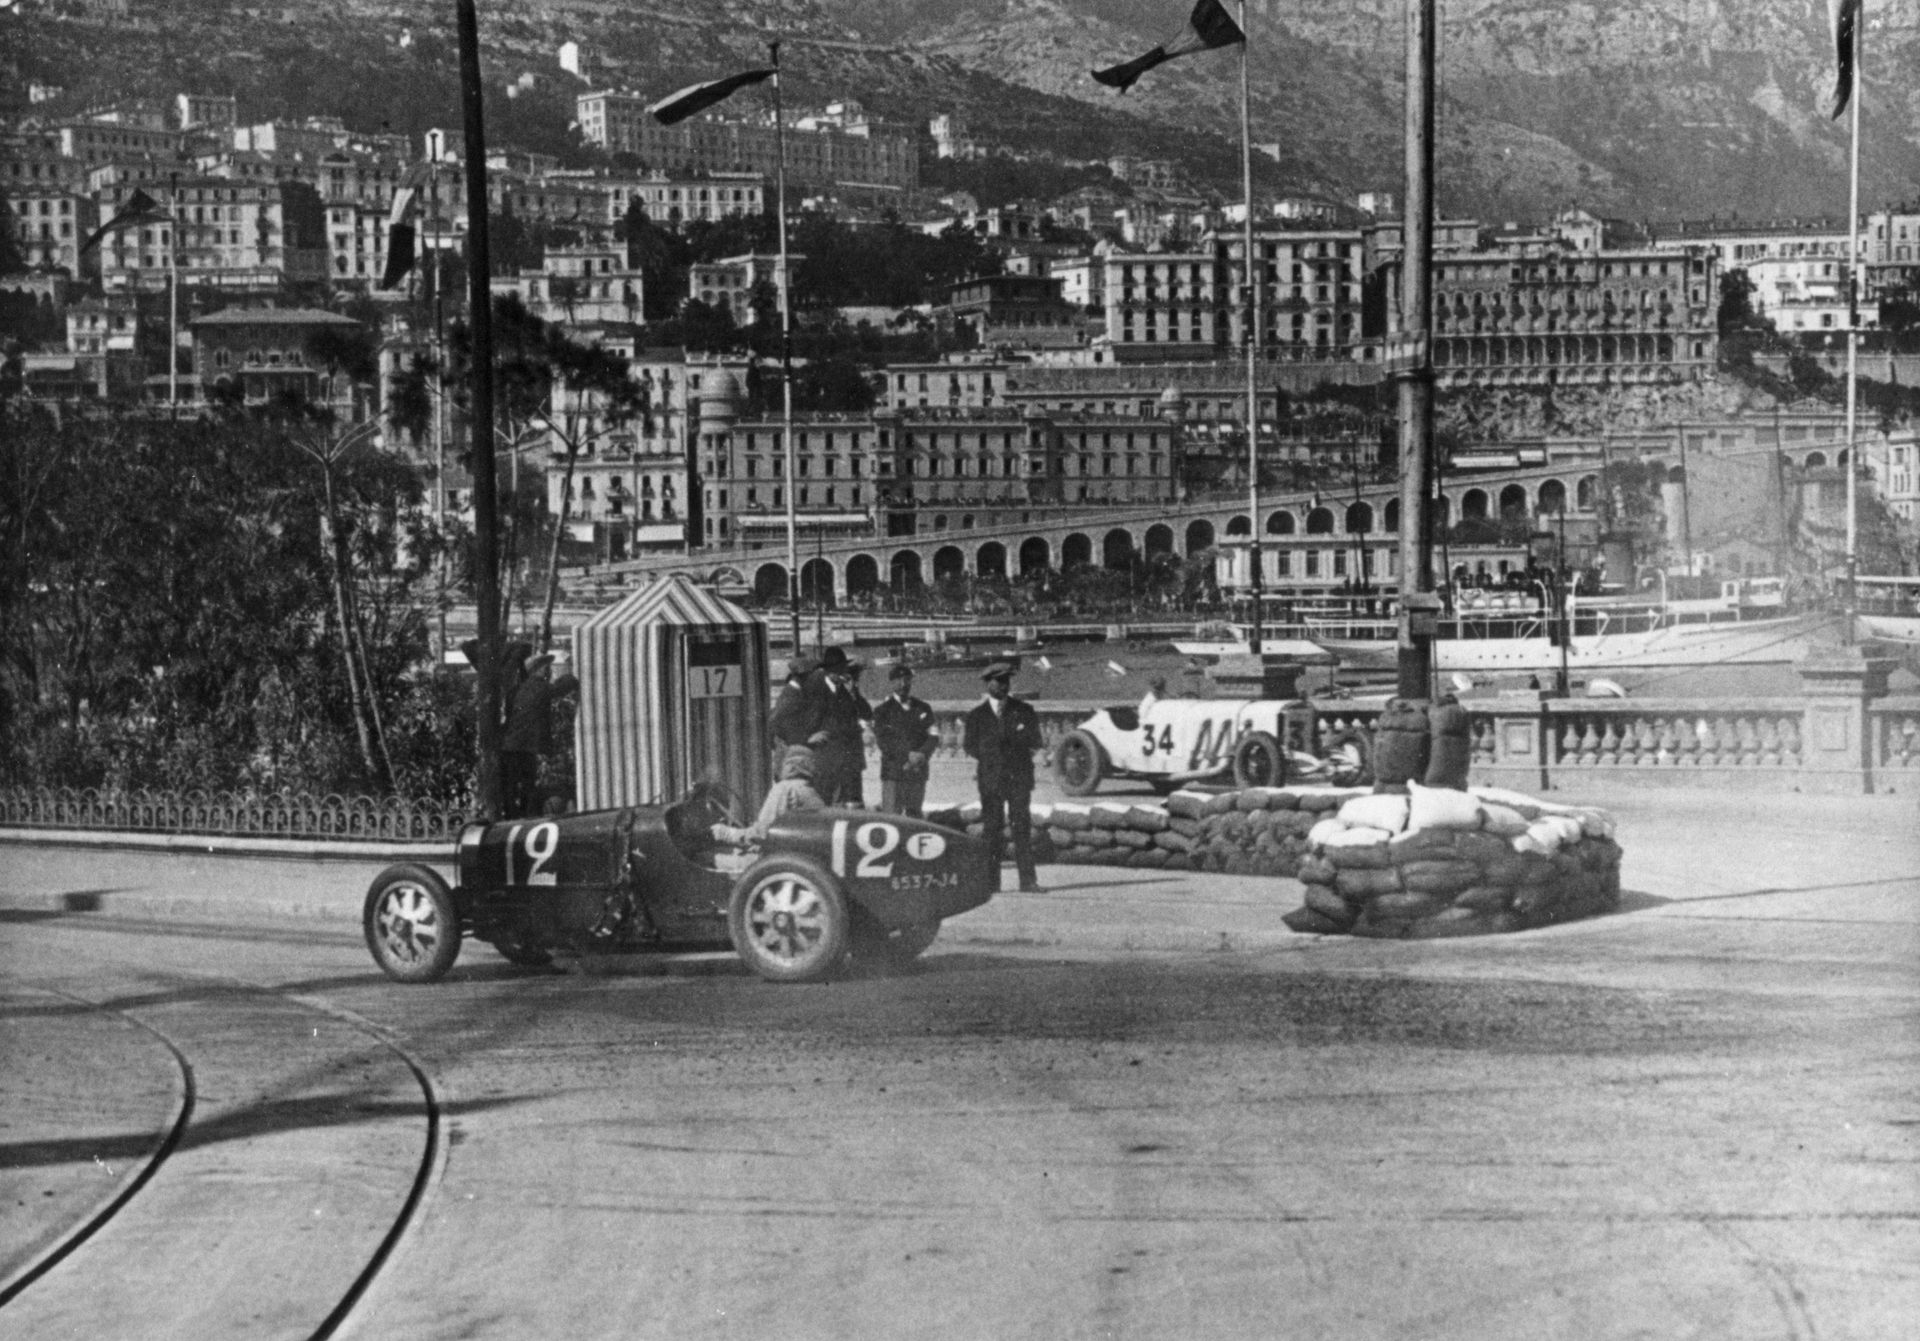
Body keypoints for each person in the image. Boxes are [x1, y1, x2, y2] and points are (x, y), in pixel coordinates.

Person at [963, 660, 1043, 893]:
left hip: (1018, 779)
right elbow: (970, 747)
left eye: (1006, 681)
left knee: (1022, 829)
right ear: (988, 684)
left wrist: (1011, 757)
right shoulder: (977, 716)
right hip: (991, 781)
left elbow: (1035, 742)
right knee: (992, 830)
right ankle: (991, 882)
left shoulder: (1024, 711)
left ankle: (1028, 881)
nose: (1004, 686)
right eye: (999, 681)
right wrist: (993, 761)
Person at [501, 649, 578, 818]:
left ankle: (513, 817)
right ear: (539, 669)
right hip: (525, 746)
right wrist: (573, 675)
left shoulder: (518, 689)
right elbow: (561, 688)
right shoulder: (538, 686)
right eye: (546, 667)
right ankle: (527, 818)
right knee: (528, 785)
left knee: (514, 787)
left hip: (511, 745)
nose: (549, 670)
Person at [797, 645, 871, 806]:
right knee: (825, 807)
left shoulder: (847, 691)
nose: (843, 673)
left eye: (843, 668)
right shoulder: (814, 690)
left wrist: (854, 694)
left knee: (852, 807)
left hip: (850, 763)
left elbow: (867, 713)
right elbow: (800, 721)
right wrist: (809, 738)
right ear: (829, 671)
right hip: (826, 763)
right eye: (839, 669)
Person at [712, 745, 826, 849]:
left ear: (791, 766)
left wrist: (727, 833)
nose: (774, 766)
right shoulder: (810, 792)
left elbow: (762, 833)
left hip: (778, 860)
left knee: (707, 858)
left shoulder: (785, 788)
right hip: (795, 856)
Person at [872, 663, 937, 818]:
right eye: (898, 681)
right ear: (891, 683)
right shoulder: (882, 711)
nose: (903, 685)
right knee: (891, 818)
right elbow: (884, 742)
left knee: (915, 817)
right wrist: (908, 755)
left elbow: (934, 736)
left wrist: (922, 754)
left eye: (907, 680)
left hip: (917, 772)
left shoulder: (923, 708)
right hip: (894, 773)